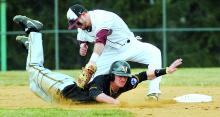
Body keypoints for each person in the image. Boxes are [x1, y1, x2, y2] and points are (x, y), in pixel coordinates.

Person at [13, 15, 182, 104]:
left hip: (61, 100)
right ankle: (34, 32)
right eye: (120, 76)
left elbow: (145, 75)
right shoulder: (101, 81)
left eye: (125, 76)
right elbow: (96, 94)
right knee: (34, 68)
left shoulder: (126, 82)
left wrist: (167, 70)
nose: (123, 79)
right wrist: (115, 103)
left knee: (33, 85)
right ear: (111, 75)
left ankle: (32, 47)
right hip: (62, 87)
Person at [66, 4, 164, 100]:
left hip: (130, 45)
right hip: (110, 52)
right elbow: (82, 39)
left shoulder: (102, 17)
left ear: (83, 14)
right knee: (91, 81)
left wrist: (92, 62)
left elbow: (101, 41)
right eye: (74, 25)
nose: (78, 26)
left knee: (154, 53)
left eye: (77, 23)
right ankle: (82, 99)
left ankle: (153, 92)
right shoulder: (82, 27)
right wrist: (83, 45)